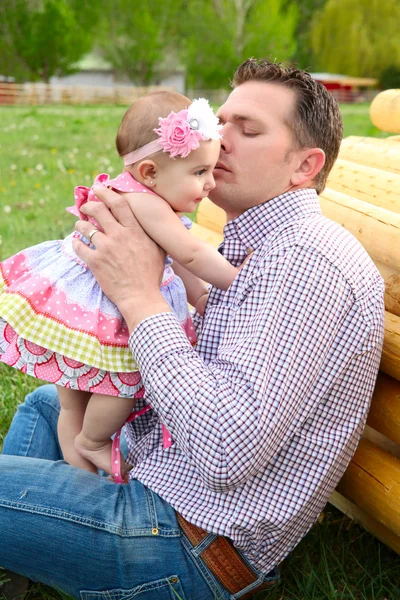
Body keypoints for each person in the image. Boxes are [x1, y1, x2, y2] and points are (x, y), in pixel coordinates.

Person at [0, 59, 385, 600]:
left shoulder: (307, 262)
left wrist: (139, 297)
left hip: (188, 542)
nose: (218, 140)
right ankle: (25, 554)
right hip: (157, 472)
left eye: (247, 130)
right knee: (50, 405)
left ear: (305, 166)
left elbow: (225, 451)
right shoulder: (255, 243)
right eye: (218, 121)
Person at [0, 92, 239, 483]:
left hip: (75, 310)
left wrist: (198, 296)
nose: (211, 183)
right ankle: (94, 442)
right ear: (149, 172)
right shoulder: (147, 204)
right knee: (123, 382)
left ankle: (82, 479)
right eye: (199, 172)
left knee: (71, 405)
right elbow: (190, 254)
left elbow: (177, 260)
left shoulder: (133, 191)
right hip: (107, 313)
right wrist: (240, 279)